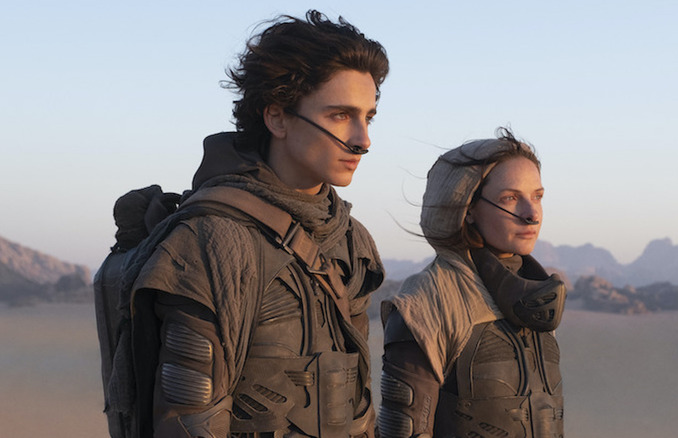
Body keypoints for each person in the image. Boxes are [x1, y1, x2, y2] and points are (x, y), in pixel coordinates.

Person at [128, 10, 389, 438]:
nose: (362, 139)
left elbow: (358, 406)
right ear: (277, 117)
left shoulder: (350, 239)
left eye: (369, 116)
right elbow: (188, 423)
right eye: (341, 115)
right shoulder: (212, 241)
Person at [377, 129, 566, 438]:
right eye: (510, 198)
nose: (531, 214)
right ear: (468, 210)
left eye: (537, 197)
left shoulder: (537, 296)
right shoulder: (428, 300)